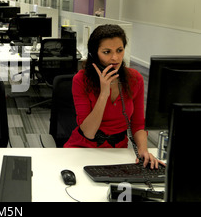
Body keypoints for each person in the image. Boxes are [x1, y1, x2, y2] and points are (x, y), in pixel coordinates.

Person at [64, 24, 165, 169]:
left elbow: (137, 123)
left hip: (118, 150)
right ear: (94, 54)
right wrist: (104, 93)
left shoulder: (134, 79)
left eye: (119, 50)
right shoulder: (81, 80)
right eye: (107, 52)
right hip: (82, 148)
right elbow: (88, 132)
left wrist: (143, 150)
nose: (115, 58)